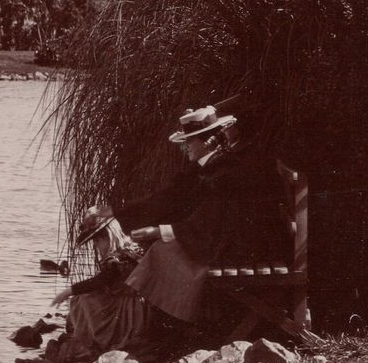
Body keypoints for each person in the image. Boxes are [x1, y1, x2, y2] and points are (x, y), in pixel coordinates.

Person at [118, 104, 287, 329]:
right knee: (160, 248)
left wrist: (160, 231)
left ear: (207, 141)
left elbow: (209, 221)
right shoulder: (215, 166)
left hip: (246, 248)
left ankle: (171, 324)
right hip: (233, 239)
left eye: (188, 142)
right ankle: (166, 322)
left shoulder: (225, 171)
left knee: (162, 251)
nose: (184, 148)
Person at [36, 205, 151, 363]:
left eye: (98, 240)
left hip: (129, 313)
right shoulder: (133, 249)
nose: (96, 246)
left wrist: (68, 291)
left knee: (82, 298)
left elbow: (100, 281)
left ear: (109, 237)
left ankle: (94, 340)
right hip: (140, 307)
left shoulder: (117, 260)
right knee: (85, 296)